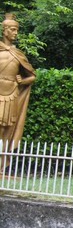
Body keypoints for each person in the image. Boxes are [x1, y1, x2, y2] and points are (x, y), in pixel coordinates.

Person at [0, 13, 36, 158]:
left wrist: (22, 81)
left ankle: (1, 159)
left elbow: (32, 76)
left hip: (11, 94)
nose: (15, 33)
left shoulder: (18, 54)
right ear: (4, 30)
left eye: (17, 30)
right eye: (12, 29)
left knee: (3, 128)